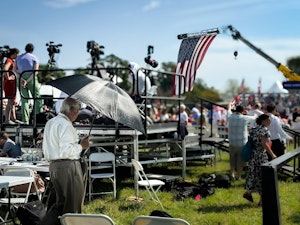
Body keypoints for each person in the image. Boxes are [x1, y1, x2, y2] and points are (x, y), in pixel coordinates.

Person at [39, 97, 90, 225]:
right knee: (72, 206)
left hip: (54, 166)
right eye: (77, 111)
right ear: (71, 109)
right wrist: (81, 146)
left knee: (58, 204)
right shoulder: (65, 125)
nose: (78, 114)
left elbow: (51, 147)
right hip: (67, 166)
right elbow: (66, 151)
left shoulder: (51, 122)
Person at [243, 114, 276, 206]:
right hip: (261, 155)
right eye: (268, 120)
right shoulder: (264, 130)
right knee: (263, 177)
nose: (270, 121)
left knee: (253, 174)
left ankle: (248, 192)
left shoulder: (255, 129)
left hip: (253, 154)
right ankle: (261, 201)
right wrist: (272, 154)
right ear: (263, 121)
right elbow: (264, 144)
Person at [13, 43, 43, 124]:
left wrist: (22, 78)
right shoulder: (34, 58)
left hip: (20, 78)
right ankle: (38, 118)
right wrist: (28, 80)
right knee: (37, 98)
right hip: (31, 79)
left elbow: (14, 70)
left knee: (24, 100)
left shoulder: (18, 58)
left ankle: (25, 120)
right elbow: (35, 72)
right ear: (32, 50)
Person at [227, 104, 256, 180]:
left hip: (232, 142)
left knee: (232, 158)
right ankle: (238, 176)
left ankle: (231, 174)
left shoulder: (230, 117)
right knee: (240, 160)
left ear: (236, 110)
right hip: (242, 142)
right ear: (242, 111)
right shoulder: (245, 118)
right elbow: (255, 118)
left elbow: (228, 110)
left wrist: (230, 105)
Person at [3, 48, 20, 124]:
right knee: (10, 102)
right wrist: (8, 77)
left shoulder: (12, 61)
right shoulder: (9, 60)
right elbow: (5, 69)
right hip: (9, 84)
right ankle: (7, 120)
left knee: (12, 102)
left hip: (12, 84)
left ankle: (13, 119)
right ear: (15, 53)